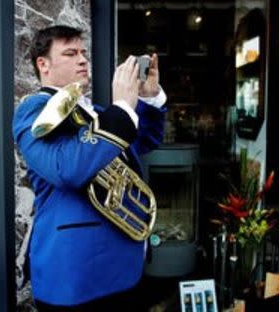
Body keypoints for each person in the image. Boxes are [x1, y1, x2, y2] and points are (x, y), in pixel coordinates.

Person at [13, 25, 167, 311]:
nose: (83, 59)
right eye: (70, 53)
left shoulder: (95, 110)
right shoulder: (31, 111)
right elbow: (65, 169)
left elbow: (143, 140)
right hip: (76, 274)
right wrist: (121, 108)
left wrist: (147, 97)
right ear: (43, 65)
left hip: (124, 265)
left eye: (83, 52)